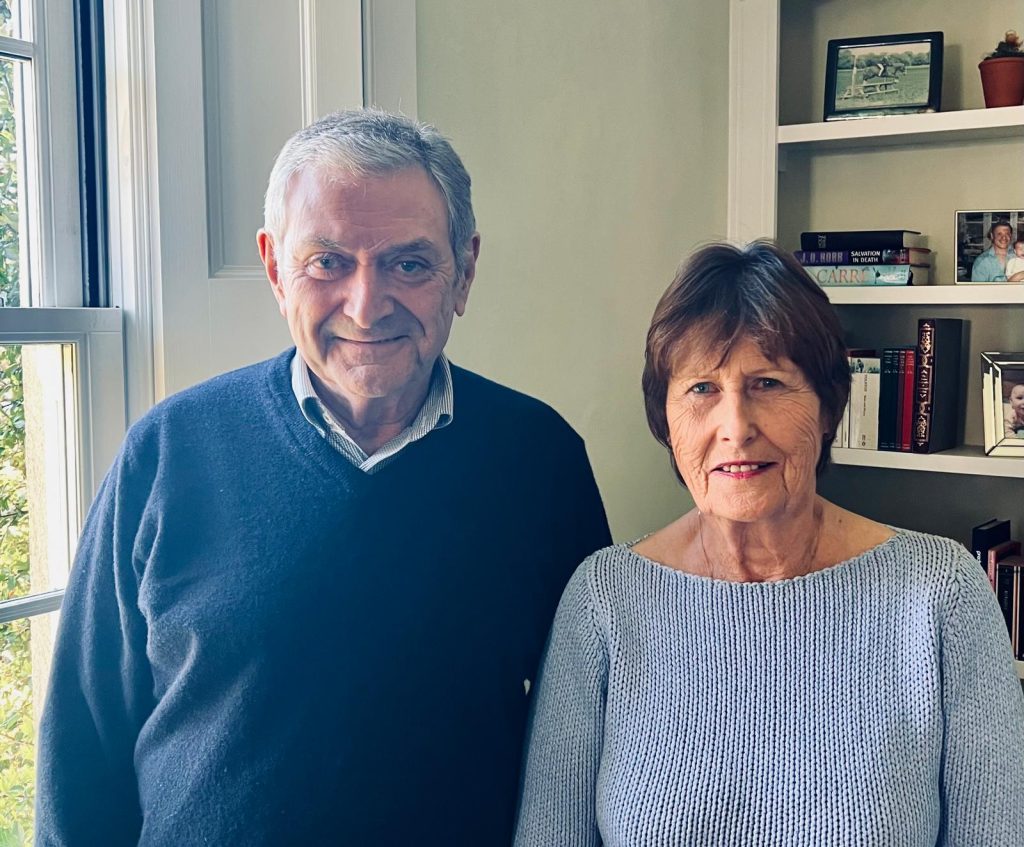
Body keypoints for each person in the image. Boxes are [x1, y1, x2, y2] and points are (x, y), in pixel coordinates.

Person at [36, 110, 611, 845]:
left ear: (464, 272)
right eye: (328, 262)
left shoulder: (540, 460)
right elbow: (82, 746)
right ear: (276, 269)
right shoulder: (168, 452)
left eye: (409, 264)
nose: (366, 307)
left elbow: (585, 734)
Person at [514, 241, 1024, 845]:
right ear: (665, 420)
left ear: (829, 407)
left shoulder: (942, 593)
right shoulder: (603, 598)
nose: (735, 427)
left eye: (767, 383)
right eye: (702, 389)